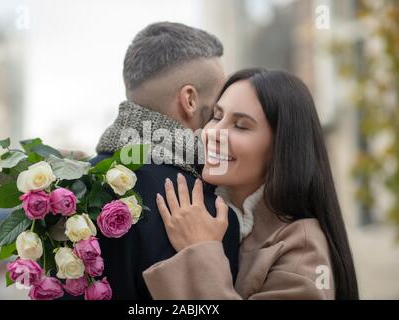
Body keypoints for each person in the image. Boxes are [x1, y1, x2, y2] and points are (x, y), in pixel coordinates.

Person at [143, 68, 359, 300]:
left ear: (282, 147)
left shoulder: (303, 247)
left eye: (241, 126)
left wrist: (201, 249)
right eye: (216, 116)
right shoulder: (191, 208)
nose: (214, 133)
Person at [87, 22, 241, 299]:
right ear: (190, 100)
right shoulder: (207, 214)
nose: (223, 117)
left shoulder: (66, 190)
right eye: (219, 104)